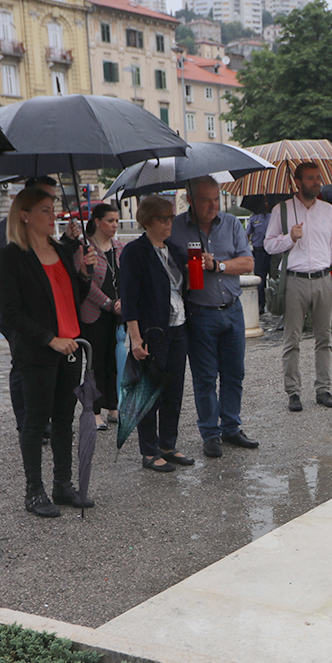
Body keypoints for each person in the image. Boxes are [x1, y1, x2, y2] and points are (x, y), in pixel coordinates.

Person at [0, 187, 97, 517]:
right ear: (24, 214)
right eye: (45, 210)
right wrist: (49, 339)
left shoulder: (60, 249)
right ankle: (34, 491)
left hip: (71, 345)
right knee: (36, 422)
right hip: (39, 350)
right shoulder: (12, 256)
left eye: (53, 210)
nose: (53, 216)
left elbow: (73, 297)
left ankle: (62, 485)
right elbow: (10, 312)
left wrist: (84, 273)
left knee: (65, 418)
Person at [170, 176, 258, 460]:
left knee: (234, 374)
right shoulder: (176, 229)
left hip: (232, 309)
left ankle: (231, 427)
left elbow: (248, 262)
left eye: (216, 199)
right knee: (205, 377)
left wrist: (219, 265)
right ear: (190, 200)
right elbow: (166, 269)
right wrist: (183, 269)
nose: (213, 205)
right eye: (206, 200)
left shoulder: (231, 224)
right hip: (199, 312)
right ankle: (211, 433)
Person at [264, 162, 332, 412]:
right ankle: (293, 392)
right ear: (297, 182)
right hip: (294, 280)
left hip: (323, 279)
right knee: (292, 339)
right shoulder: (282, 210)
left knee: (324, 338)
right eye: (311, 179)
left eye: (318, 178)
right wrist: (289, 238)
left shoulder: (328, 210)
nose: (316, 183)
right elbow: (268, 245)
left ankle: (323, 388)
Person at [119, 196, 194, 473]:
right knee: (150, 391)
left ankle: (167, 444)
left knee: (174, 389)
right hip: (153, 331)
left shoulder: (174, 248)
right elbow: (129, 298)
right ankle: (149, 450)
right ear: (147, 221)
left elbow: (184, 283)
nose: (169, 223)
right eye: (163, 218)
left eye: (171, 218)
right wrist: (135, 337)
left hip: (179, 326)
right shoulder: (135, 252)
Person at [0, 176, 59, 437]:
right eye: (46, 201)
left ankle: (43, 417)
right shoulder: (7, 229)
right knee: (22, 365)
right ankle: (27, 423)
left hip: (41, 312)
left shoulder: (46, 233)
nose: (51, 206)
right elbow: (9, 270)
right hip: (16, 313)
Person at [75, 203, 124, 432]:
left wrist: (122, 302)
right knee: (95, 362)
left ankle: (112, 405)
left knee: (114, 359)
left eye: (117, 221)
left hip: (117, 312)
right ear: (97, 221)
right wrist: (108, 304)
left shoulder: (119, 247)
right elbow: (88, 285)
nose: (115, 225)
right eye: (110, 221)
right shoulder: (85, 248)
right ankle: (93, 410)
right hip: (94, 313)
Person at [247, 198, 273, 317]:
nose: (265, 205)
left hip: (272, 252)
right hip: (259, 251)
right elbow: (247, 234)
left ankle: (274, 305)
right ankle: (261, 305)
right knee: (260, 280)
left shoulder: (273, 216)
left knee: (274, 280)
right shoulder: (254, 218)